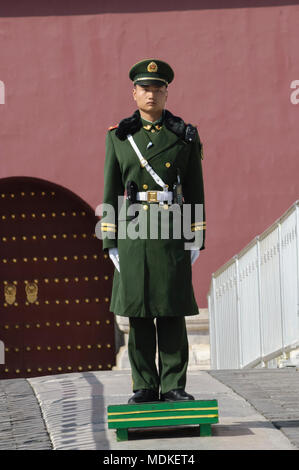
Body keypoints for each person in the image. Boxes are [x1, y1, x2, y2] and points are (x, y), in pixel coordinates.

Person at [100, 59, 206, 403]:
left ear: (166, 93)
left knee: (171, 310)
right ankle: (144, 385)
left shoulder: (184, 135)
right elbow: (110, 190)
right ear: (134, 93)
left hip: (171, 228)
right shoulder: (119, 137)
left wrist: (196, 236)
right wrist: (110, 241)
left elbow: (195, 188)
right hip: (133, 231)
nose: (151, 94)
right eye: (145, 88)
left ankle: (174, 385)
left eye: (157, 89)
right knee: (139, 311)